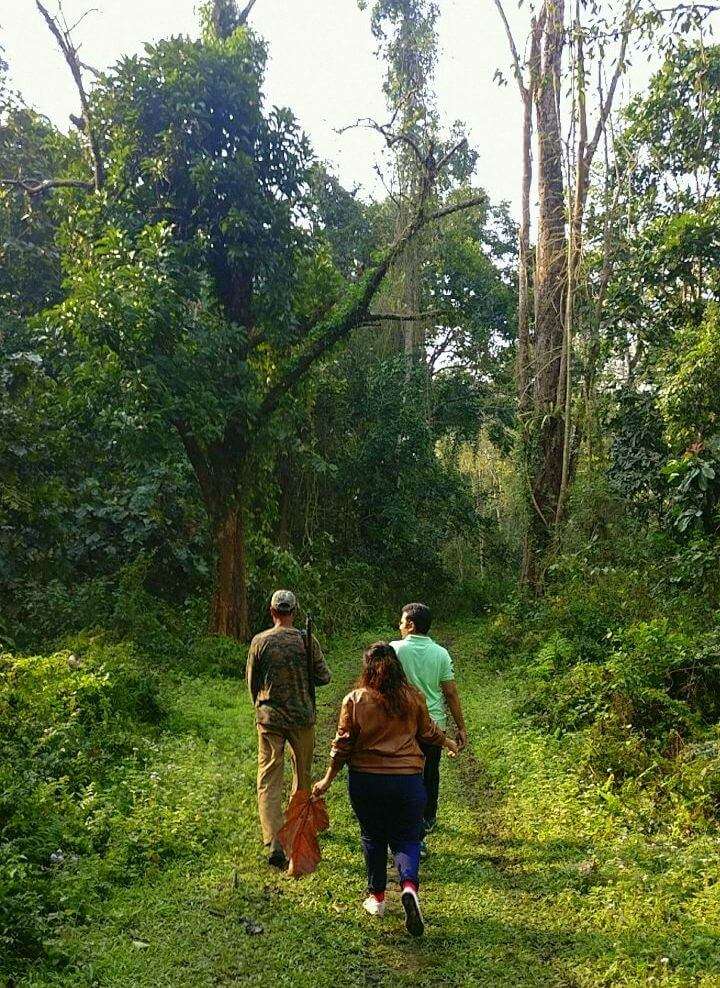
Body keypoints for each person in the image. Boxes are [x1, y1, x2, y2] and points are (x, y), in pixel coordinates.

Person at [311, 642, 458, 936]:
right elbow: (427, 732)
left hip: (367, 781)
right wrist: (449, 741)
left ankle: (376, 898)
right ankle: (408, 887)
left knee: (373, 836)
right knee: (407, 838)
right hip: (408, 781)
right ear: (396, 668)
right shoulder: (412, 697)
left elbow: (342, 746)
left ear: (367, 668)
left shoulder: (355, 699)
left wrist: (327, 779)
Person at [247, 589, 331, 869]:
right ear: (293, 612)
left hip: (269, 718)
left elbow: (252, 682)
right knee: (302, 775)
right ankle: (296, 835)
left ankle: (273, 841)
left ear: (272, 612)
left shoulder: (260, 641)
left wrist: (259, 709)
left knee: (269, 776)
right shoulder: (307, 641)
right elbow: (324, 677)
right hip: (302, 718)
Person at [390, 602, 467, 839]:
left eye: (402, 621)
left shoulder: (394, 650)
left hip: (402, 724)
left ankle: (405, 820)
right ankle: (428, 818)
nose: (400, 625)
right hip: (434, 724)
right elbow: (450, 693)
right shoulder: (441, 654)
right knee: (430, 773)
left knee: (402, 772)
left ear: (411, 625)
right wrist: (461, 727)